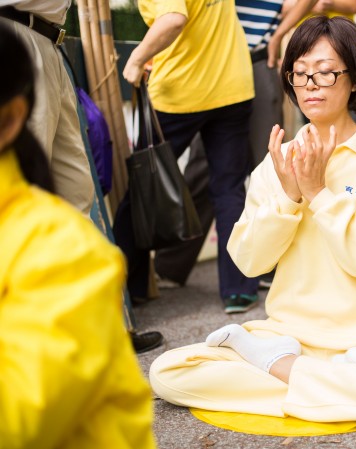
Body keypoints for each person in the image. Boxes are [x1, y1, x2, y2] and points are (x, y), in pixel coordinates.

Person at [149, 16, 356, 426]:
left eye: (325, 72)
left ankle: (273, 369)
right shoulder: (279, 160)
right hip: (290, 336)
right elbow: (249, 262)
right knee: (169, 373)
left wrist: (319, 194)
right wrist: (288, 196)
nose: (310, 85)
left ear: (355, 80)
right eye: (299, 74)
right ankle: (328, 383)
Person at [0, 24, 156, 448]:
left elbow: (27, 412)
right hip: (31, 41)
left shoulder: (56, 246)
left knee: (78, 193)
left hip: (40, 41)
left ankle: (107, 322)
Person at [152, 0, 319, 290]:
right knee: (204, 166)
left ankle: (267, 266)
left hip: (256, 60)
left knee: (268, 163)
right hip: (215, 67)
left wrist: (279, 35)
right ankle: (171, 266)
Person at [119, 0, 258, 313]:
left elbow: (173, 18)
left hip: (180, 94)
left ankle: (130, 288)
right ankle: (239, 290)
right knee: (229, 191)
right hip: (232, 87)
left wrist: (136, 58)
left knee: (144, 187)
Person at [0, 1, 94, 214]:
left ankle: (74, 246)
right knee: (24, 180)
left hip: (48, 42)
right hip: (14, 32)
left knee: (75, 187)